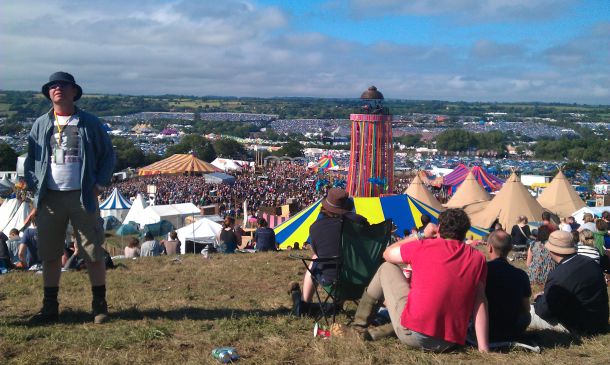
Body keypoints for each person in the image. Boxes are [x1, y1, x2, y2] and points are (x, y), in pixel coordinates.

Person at [24, 72, 115, 324]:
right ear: (49, 93)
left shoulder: (89, 122)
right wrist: (35, 188)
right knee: (50, 253)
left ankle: (99, 305)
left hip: (83, 195)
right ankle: (50, 307)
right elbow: (30, 161)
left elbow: (108, 155)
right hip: (50, 197)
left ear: (74, 91)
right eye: (53, 86)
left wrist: (98, 185)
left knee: (92, 251)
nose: (58, 89)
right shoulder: (41, 124)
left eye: (63, 85)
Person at [351, 208, 489, 353]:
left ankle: (359, 326)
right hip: (450, 342)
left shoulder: (423, 246)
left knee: (386, 268)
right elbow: (480, 302)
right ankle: (379, 332)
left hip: (413, 334)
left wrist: (421, 235)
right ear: (465, 232)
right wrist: (483, 348)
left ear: (439, 228)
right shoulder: (478, 258)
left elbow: (387, 254)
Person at [290, 188, 368, 316]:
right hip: (361, 282)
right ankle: (337, 305)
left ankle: (304, 304)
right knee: (347, 259)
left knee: (316, 258)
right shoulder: (360, 222)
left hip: (331, 281)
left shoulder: (316, 227)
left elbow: (317, 251)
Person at [529, 230, 609, 334]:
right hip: (600, 323)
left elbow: (543, 311)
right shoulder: (591, 263)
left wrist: (540, 298)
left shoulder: (559, 275)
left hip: (578, 327)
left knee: (526, 312)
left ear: (550, 250)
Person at [481, 230, 531, 341]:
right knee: (527, 316)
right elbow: (526, 308)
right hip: (511, 328)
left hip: (484, 327)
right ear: (510, 249)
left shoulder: (482, 271)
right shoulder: (521, 275)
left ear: (489, 247)